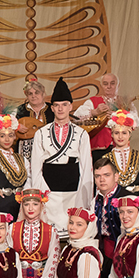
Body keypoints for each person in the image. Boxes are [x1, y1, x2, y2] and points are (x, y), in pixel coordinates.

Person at [30, 78, 92, 233]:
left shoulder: (81, 134)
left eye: (64, 105)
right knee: (49, 234)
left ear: (70, 106)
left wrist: (84, 200)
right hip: (48, 191)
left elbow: (86, 169)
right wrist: (41, 196)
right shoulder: (41, 133)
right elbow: (36, 168)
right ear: (51, 108)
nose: (60, 109)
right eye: (56, 105)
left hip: (74, 192)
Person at [73, 72, 139, 154]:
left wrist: (119, 116)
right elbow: (76, 119)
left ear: (118, 85)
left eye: (112, 83)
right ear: (101, 86)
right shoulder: (92, 102)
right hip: (98, 150)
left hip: (120, 149)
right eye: (105, 84)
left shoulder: (125, 102)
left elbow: (136, 123)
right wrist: (94, 112)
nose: (109, 86)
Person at [12, 189, 59, 278]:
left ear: (41, 206)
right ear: (22, 206)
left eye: (35, 204)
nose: (30, 208)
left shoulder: (51, 231)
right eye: (26, 204)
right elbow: (10, 259)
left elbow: (53, 260)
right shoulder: (12, 229)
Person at [101, 109, 139, 208]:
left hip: (136, 203)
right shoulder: (106, 158)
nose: (120, 136)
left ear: (130, 135)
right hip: (113, 204)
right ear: (112, 134)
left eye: (124, 133)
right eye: (116, 133)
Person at [92, 158, 130, 278]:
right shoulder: (96, 200)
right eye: (97, 176)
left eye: (106, 175)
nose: (101, 179)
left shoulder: (128, 198)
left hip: (122, 252)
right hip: (102, 250)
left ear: (116, 177)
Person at [15, 77, 53, 161]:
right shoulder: (20, 110)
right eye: (30, 93)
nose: (33, 96)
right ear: (27, 96)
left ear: (43, 94)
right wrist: (17, 126)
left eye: (37, 93)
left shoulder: (52, 109)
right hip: (25, 151)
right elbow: (8, 126)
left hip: (48, 148)